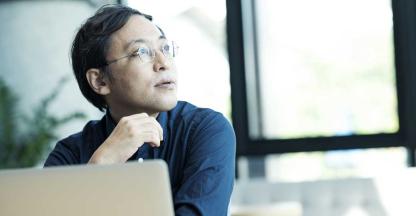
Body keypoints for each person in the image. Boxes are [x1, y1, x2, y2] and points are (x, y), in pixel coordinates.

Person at [44, 4, 236, 216]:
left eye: (164, 48)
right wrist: (102, 162)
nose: (163, 63)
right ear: (100, 80)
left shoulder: (205, 131)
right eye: (141, 52)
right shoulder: (69, 155)